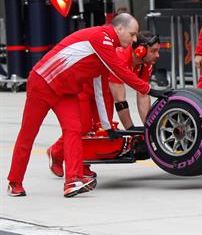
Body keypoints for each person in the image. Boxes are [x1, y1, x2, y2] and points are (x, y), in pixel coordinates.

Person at [7, 14, 171, 198]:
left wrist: (107, 126)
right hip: (43, 83)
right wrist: (148, 89)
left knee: (75, 130)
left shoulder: (107, 48)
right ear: (119, 29)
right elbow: (120, 71)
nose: (134, 40)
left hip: (66, 91)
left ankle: (72, 181)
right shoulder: (102, 38)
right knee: (28, 133)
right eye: (132, 34)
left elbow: (100, 88)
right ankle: (15, 182)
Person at [45, 32, 161, 179]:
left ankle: (84, 164)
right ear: (140, 51)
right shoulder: (119, 58)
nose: (157, 55)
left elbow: (143, 95)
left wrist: (149, 128)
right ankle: (56, 152)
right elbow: (120, 100)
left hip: (104, 92)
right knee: (83, 128)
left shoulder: (145, 65)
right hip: (83, 90)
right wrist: (131, 130)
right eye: (154, 51)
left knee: (101, 129)